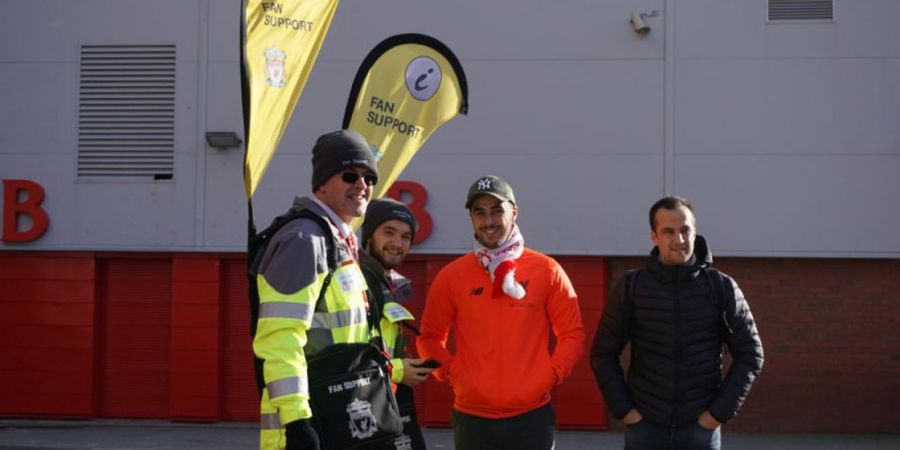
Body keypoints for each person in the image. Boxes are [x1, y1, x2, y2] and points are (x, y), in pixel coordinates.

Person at [417, 175, 585, 450]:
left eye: (497, 211)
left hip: (532, 416)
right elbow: (429, 337)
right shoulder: (451, 276)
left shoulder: (547, 270)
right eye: (479, 213)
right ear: (471, 218)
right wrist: (450, 373)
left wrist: (550, 374)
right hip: (472, 416)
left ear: (514, 213)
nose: (489, 221)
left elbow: (572, 334)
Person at [590, 196, 764, 450]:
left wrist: (716, 415)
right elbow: (602, 353)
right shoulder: (632, 287)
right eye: (668, 232)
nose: (679, 240)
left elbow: (751, 354)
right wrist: (626, 411)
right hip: (645, 430)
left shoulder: (721, 287)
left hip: (700, 432)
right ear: (654, 237)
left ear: (695, 233)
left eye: (685, 231)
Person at [251, 129, 379, 450]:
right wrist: (297, 423)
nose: (361, 185)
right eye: (350, 174)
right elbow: (280, 338)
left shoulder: (337, 241)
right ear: (322, 183)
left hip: (340, 414)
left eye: (369, 177)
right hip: (311, 426)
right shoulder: (304, 240)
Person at [359, 198, 436, 450]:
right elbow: (348, 354)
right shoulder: (356, 281)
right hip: (358, 408)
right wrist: (399, 370)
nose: (397, 244)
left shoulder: (388, 282)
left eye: (405, 237)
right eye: (388, 232)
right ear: (369, 234)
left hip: (382, 403)